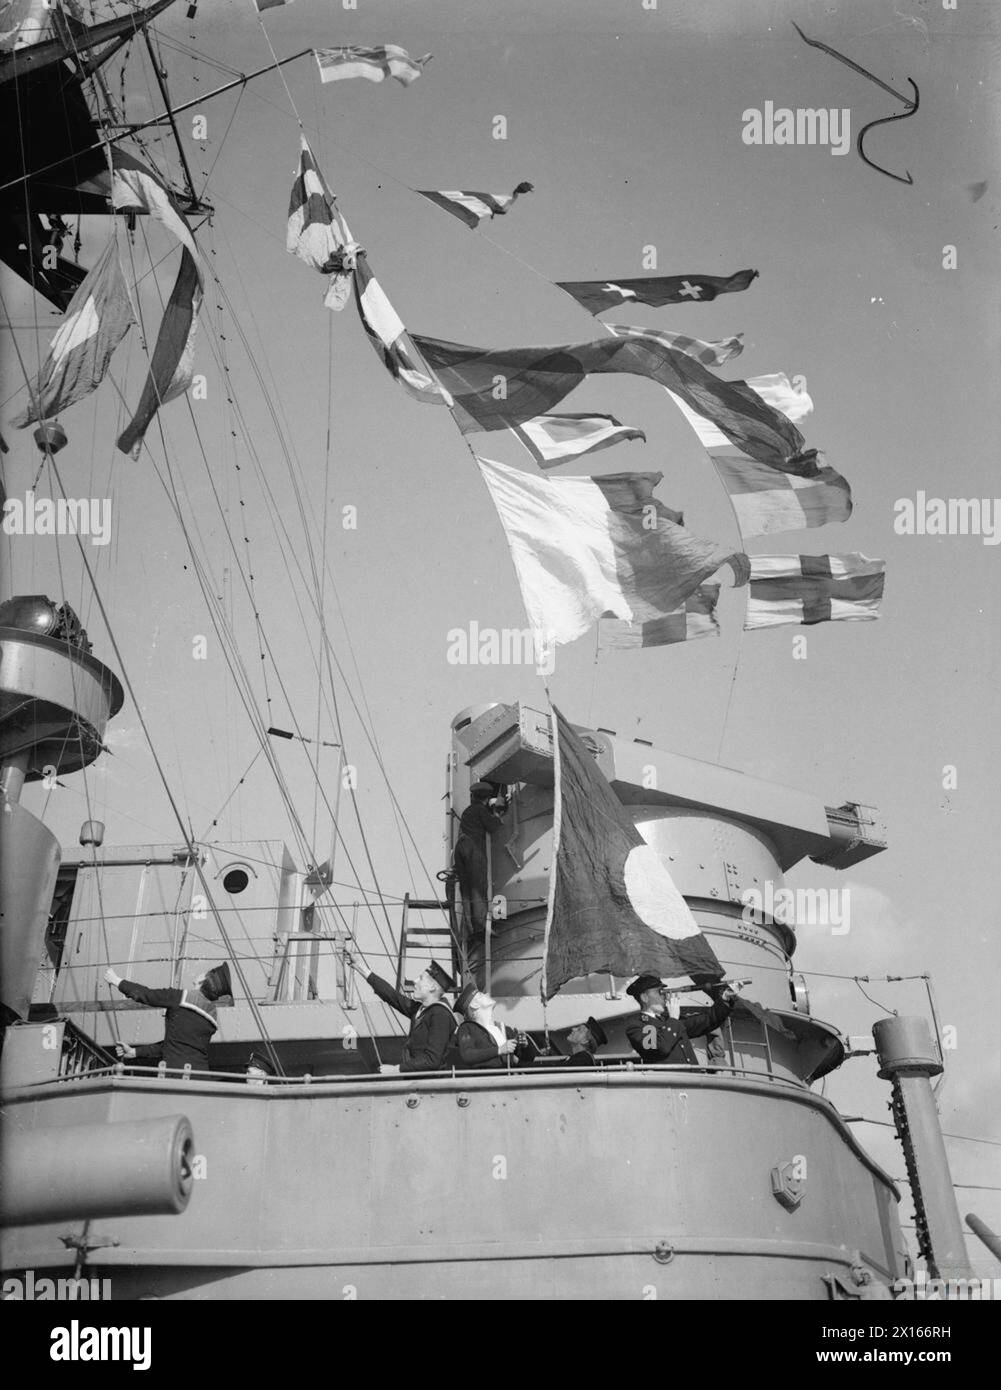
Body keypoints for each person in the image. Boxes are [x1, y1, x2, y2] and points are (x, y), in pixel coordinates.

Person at [105, 963, 232, 1072]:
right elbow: (175, 1045)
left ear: (202, 981)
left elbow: (147, 995)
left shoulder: (179, 997)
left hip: (177, 1077)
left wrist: (116, 980)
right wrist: (134, 1052)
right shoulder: (211, 1016)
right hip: (201, 1078)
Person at [351, 957, 457, 1072]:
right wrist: (360, 967)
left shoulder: (440, 1015)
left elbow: (432, 1060)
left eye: (421, 979)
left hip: (429, 1084)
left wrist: (397, 1069)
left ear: (432, 987)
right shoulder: (421, 1009)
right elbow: (392, 996)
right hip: (418, 1082)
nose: (415, 981)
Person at [625, 973, 736, 1065]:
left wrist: (725, 999)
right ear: (644, 997)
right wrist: (673, 1019)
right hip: (671, 1087)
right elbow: (659, 1048)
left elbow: (707, 1020)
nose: (664, 996)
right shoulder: (639, 1025)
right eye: (659, 992)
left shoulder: (670, 1021)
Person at [453, 781, 508, 936]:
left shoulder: (468, 811)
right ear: (486, 798)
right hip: (473, 849)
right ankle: (481, 927)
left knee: (466, 889)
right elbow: (493, 826)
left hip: (460, 848)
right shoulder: (480, 809)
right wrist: (498, 814)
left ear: (473, 796)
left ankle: (470, 925)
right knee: (478, 885)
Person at [452, 983, 533, 1069]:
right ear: (474, 1005)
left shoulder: (505, 1029)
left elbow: (529, 1059)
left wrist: (525, 1046)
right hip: (487, 1080)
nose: (487, 994)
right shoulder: (467, 1028)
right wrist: (499, 1050)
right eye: (481, 995)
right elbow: (467, 1055)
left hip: (508, 1080)